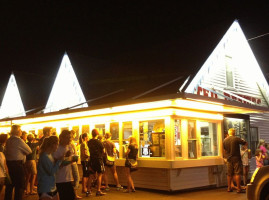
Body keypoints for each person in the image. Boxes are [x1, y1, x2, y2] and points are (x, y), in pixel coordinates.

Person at [4, 125, 32, 200]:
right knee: (19, 187)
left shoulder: (8, 140)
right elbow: (29, 151)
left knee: (9, 186)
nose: (21, 131)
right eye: (20, 130)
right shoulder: (18, 140)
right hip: (18, 165)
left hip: (9, 165)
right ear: (17, 131)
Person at [37, 135, 63, 200]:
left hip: (52, 187)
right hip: (45, 188)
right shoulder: (44, 157)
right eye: (57, 145)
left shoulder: (50, 155)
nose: (57, 147)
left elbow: (53, 168)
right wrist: (59, 161)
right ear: (52, 145)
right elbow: (51, 171)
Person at [54, 130, 76, 200]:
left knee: (72, 197)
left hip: (68, 177)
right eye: (67, 138)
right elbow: (54, 163)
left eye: (70, 137)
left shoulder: (69, 147)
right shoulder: (56, 148)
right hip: (59, 179)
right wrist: (64, 157)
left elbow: (70, 159)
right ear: (61, 138)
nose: (69, 139)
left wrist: (72, 159)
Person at [223, 128, 246, 193]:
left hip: (229, 159)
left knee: (229, 174)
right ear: (234, 133)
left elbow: (224, 150)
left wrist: (226, 157)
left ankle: (229, 188)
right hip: (236, 158)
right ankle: (239, 188)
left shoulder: (225, 140)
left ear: (228, 133)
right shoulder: (236, 138)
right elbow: (244, 142)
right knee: (237, 173)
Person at [87, 129, 106, 196]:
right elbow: (103, 151)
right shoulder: (99, 142)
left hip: (92, 159)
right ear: (97, 134)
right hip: (98, 159)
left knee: (91, 175)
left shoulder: (89, 142)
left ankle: (88, 191)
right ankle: (98, 190)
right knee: (100, 175)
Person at [70, 130, 81, 199]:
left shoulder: (65, 144)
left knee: (69, 178)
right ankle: (75, 194)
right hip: (73, 163)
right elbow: (76, 155)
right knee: (77, 178)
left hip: (67, 164)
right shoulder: (72, 143)